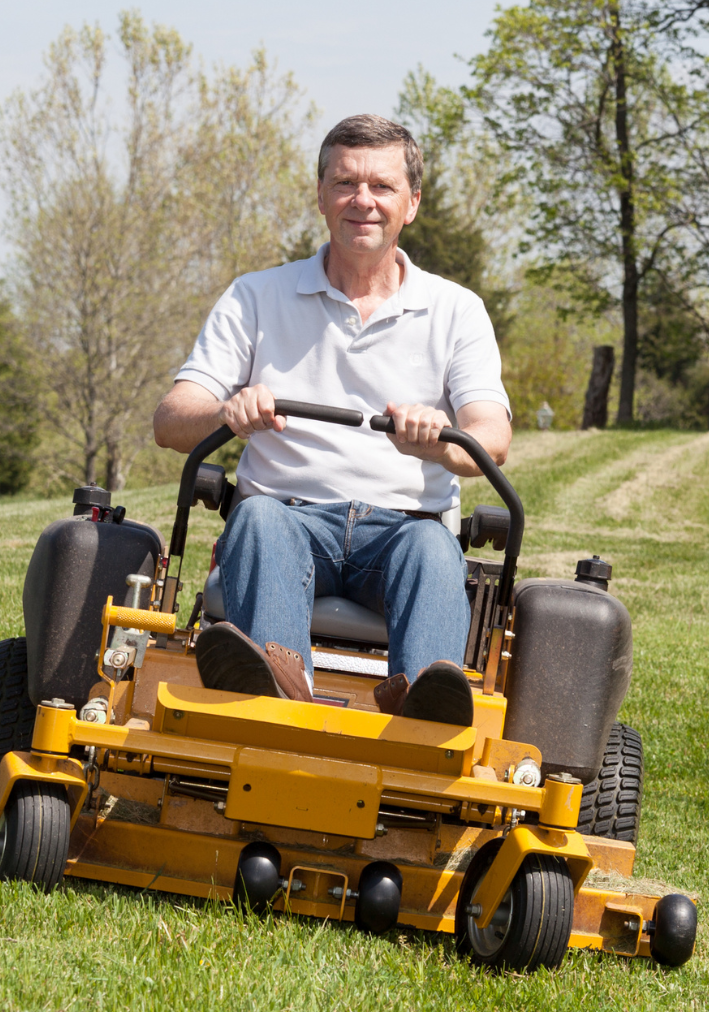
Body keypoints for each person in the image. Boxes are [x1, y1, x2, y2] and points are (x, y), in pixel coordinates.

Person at [151, 114, 511, 724]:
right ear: (321, 196)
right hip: (287, 521)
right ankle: (276, 687)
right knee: (259, 517)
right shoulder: (255, 296)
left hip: (403, 529)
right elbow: (171, 419)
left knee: (431, 546)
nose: (362, 201)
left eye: (382, 187)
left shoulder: (457, 310)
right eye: (345, 183)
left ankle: (425, 707)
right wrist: (228, 412)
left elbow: (492, 438)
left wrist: (439, 443)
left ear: (412, 203)